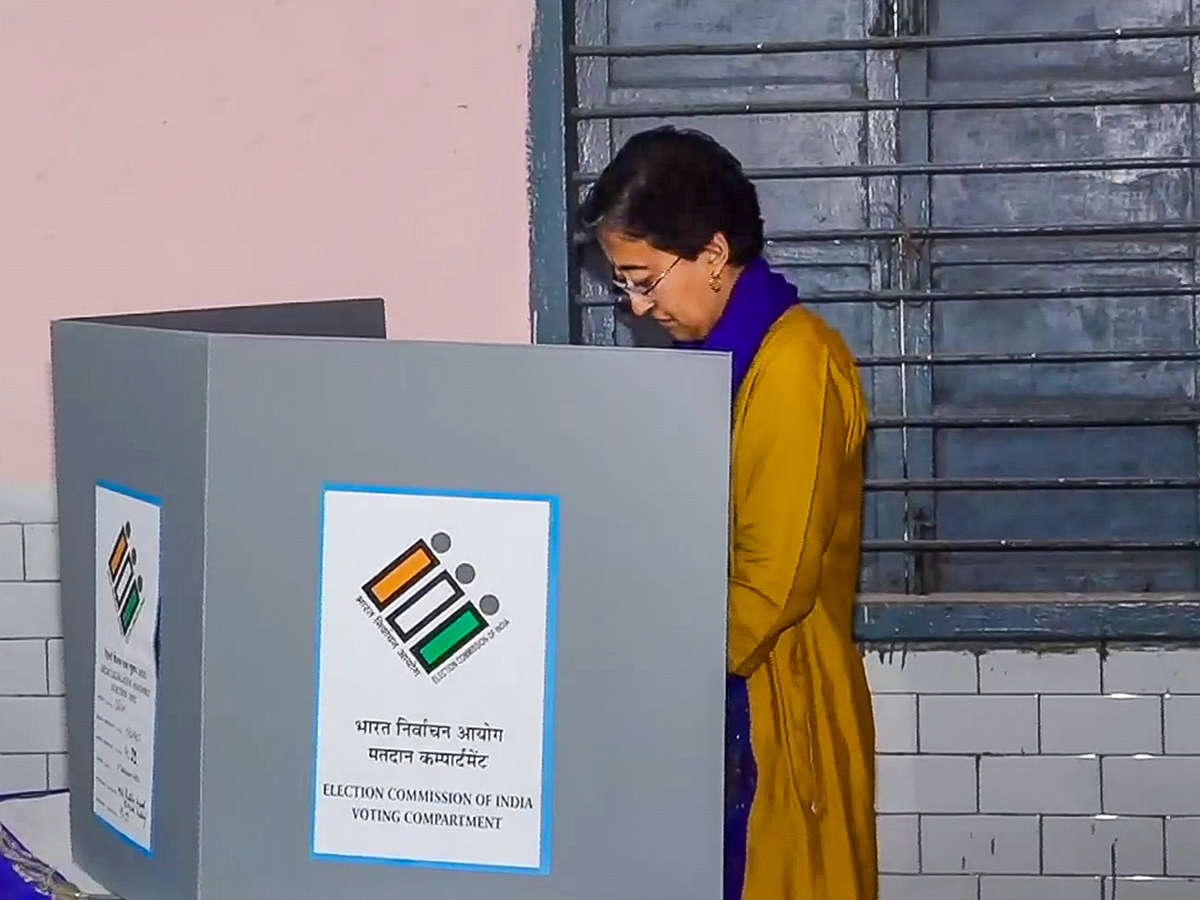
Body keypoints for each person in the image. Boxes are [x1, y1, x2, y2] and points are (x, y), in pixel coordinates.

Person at [580, 126, 878, 900]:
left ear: (714, 254)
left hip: (770, 703)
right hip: (720, 687)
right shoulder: (716, 365)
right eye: (624, 286)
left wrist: (648, 676)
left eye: (645, 279)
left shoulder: (794, 364)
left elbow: (772, 584)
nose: (639, 307)